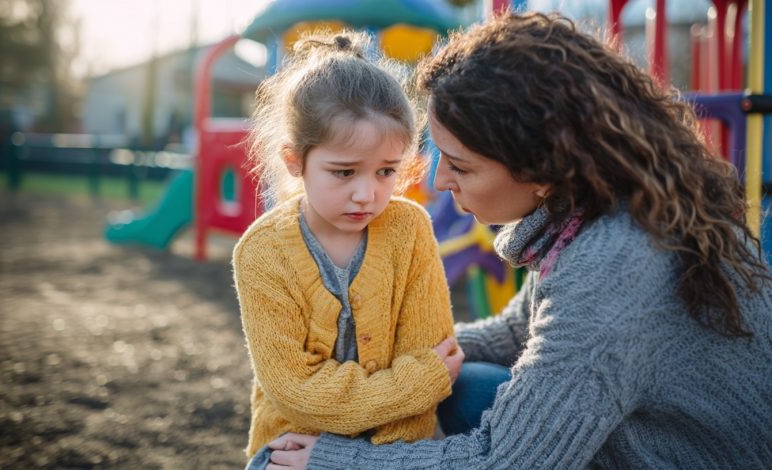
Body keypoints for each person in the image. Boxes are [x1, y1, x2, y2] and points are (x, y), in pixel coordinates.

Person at [261, 11, 772, 469]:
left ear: (540, 168)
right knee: (461, 385)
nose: (439, 182)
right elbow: (519, 332)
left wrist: (334, 460)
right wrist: (374, 364)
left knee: (455, 398)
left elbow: (505, 460)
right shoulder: (603, 211)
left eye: (460, 165)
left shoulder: (615, 263)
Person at [232, 31, 464, 469]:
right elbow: (298, 393)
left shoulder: (409, 230)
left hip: (392, 454)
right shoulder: (262, 253)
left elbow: (427, 354)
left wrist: (370, 461)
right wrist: (417, 383)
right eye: (344, 172)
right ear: (293, 160)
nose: (366, 194)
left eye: (385, 171)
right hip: (290, 447)